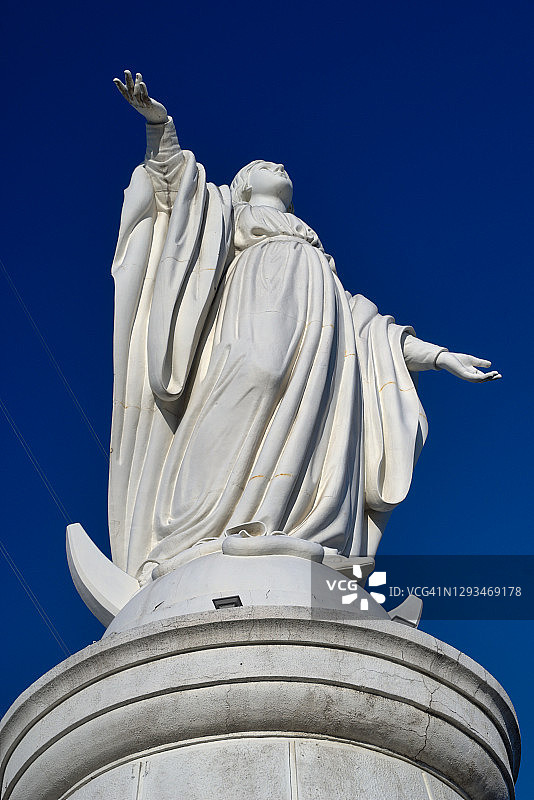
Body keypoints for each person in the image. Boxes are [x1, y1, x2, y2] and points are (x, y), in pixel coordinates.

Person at [110, 71, 500, 583]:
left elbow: (369, 331)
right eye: (266, 165)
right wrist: (161, 127)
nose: (280, 165)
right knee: (257, 371)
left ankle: (290, 529)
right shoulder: (230, 214)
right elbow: (176, 193)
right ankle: (196, 528)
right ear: (247, 183)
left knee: (319, 415)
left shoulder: (319, 259)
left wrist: (438, 355)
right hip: (253, 297)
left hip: (317, 330)